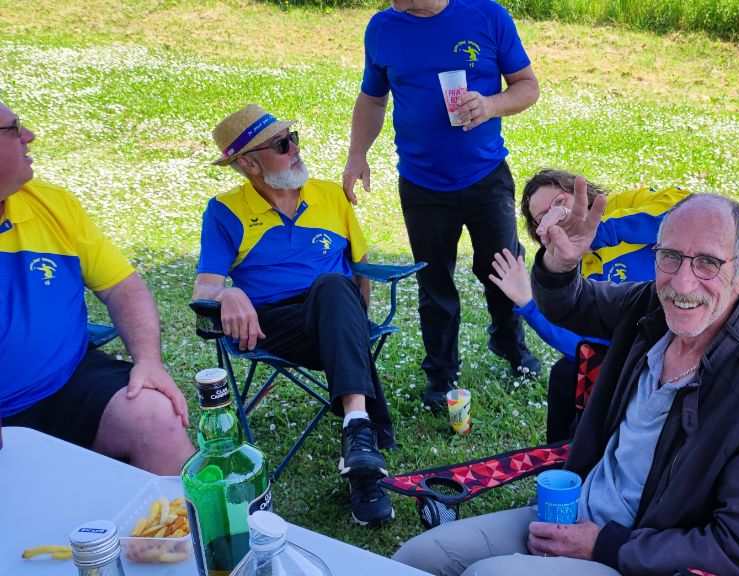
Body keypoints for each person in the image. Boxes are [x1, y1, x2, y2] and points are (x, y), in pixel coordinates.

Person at [394, 180, 739, 576]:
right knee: (415, 557)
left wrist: (604, 545)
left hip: (636, 556)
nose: (683, 283)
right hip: (571, 512)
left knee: (486, 574)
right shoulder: (650, 307)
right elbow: (571, 304)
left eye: (708, 263)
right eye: (670, 256)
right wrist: (562, 264)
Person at [195, 105, 396, 526]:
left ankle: (358, 440)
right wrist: (228, 293)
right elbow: (205, 289)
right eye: (281, 145)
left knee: (334, 287)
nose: (295, 150)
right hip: (274, 324)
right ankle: (361, 433)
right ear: (249, 164)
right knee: (335, 293)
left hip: (338, 313)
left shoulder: (330, 195)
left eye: (294, 138)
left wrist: (356, 319)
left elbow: (360, 271)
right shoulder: (225, 211)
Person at [343, 0, 542, 412]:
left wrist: (490, 105)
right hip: (422, 183)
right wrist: (357, 154)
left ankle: (511, 345)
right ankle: (441, 373)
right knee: (434, 282)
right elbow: (373, 99)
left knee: (502, 268)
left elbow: (527, 86)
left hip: (486, 175)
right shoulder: (382, 28)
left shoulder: (487, 15)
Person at [0, 102, 194, 475]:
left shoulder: (52, 205)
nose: (29, 136)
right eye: (13, 128)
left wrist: (148, 361)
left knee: (155, 417)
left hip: (66, 378)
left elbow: (122, 287)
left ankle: (180, 516)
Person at [489, 169, 687, 442]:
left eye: (559, 202)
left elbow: (686, 216)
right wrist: (528, 303)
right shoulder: (573, 269)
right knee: (565, 375)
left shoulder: (623, 204)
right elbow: (583, 347)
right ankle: (564, 464)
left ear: (578, 191)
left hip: (686, 329)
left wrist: (598, 232)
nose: (556, 216)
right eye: (544, 217)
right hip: (638, 354)